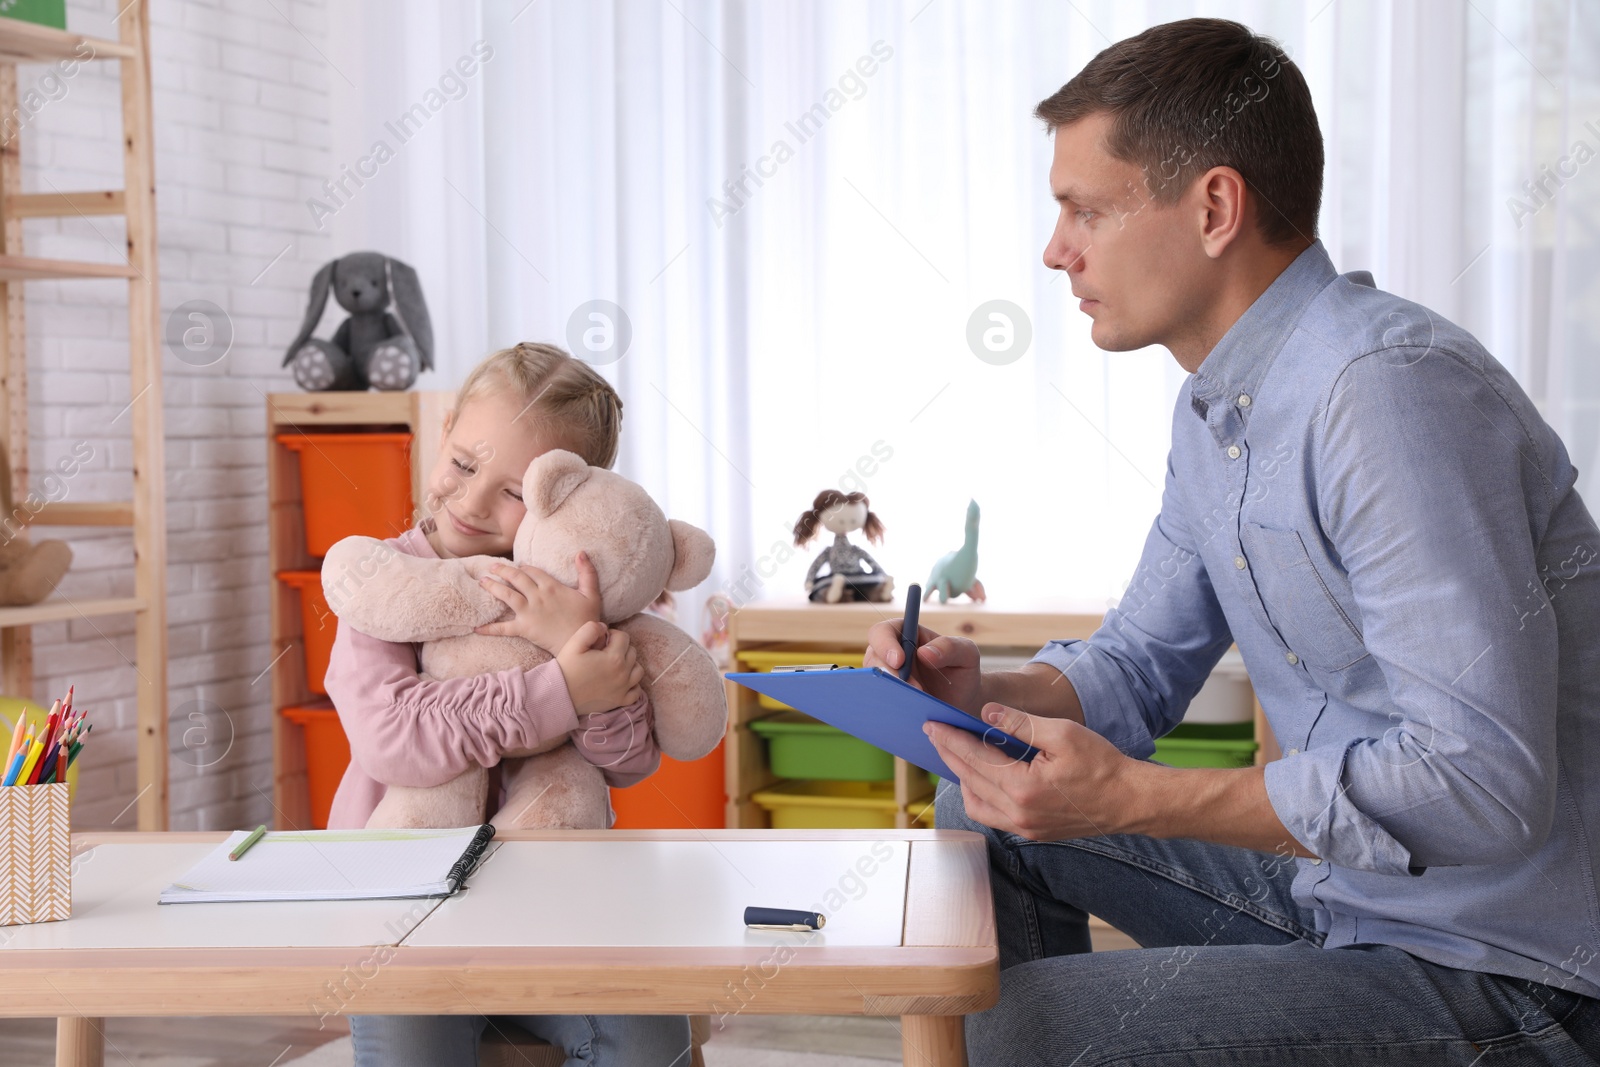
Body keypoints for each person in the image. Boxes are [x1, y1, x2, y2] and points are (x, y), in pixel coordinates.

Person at [865, 18, 1600, 1066]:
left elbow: (1482, 781)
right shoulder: (1217, 415)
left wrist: (1136, 795)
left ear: (1213, 206)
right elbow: (1131, 668)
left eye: (1086, 208)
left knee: (1033, 1031)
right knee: (982, 800)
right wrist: (986, 695)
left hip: (1513, 969)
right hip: (1350, 901)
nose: (1054, 248)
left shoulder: (1385, 395)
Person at [324, 342, 693, 1066]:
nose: (469, 502)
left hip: (554, 910)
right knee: (410, 1053)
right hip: (405, 916)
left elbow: (627, 762)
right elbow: (389, 738)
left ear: (569, 494)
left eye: (514, 491)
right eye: (464, 465)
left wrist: (581, 641)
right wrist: (556, 690)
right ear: (447, 427)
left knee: (651, 1034)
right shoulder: (381, 581)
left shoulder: (575, 594)